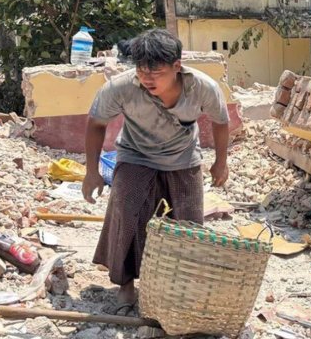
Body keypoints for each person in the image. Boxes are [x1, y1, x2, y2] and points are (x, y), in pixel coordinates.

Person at [82, 29, 230, 315]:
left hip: (183, 158)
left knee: (189, 226)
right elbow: (96, 122)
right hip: (136, 155)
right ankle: (125, 283)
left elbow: (221, 122)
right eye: (141, 70)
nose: (147, 78)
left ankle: (181, 287)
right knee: (127, 213)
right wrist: (91, 172)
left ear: (177, 66)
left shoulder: (202, 87)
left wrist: (220, 162)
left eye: (156, 72)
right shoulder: (122, 87)